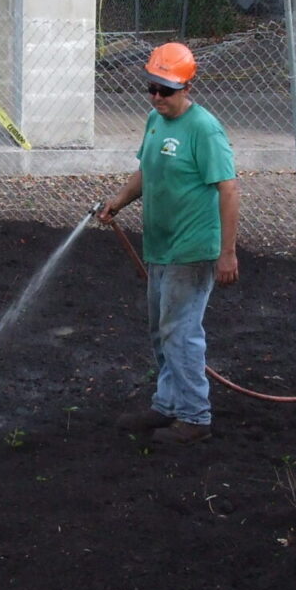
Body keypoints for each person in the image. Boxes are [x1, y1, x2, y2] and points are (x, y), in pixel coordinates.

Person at [97, 41, 240, 446]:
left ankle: (195, 417)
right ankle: (167, 405)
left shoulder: (204, 129)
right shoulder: (154, 120)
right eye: (152, 88)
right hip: (159, 246)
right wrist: (118, 202)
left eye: (166, 90)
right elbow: (147, 169)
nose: (157, 96)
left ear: (187, 87)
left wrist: (227, 253)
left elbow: (228, 191)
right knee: (161, 331)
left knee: (180, 332)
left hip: (192, 250)